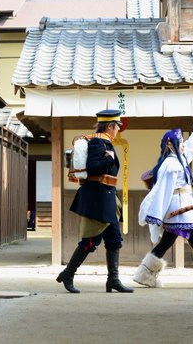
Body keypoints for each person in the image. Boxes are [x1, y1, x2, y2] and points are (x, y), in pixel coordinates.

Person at [133, 113, 193, 289]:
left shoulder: (179, 158)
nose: (184, 145)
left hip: (183, 207)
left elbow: (192, 146)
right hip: (179, 207)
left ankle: (146, 273)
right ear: (170, 145)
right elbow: (162, 190)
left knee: (170, 241)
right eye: (180, 142)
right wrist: (156, 213)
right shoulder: (170, 164)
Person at [56, 109, 134, 294]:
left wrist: (108, 159)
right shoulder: (98, 142)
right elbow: (92, 167)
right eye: (117, 126)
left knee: (114, 239)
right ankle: (68, 274)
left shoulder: (104, 142)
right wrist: (108, 160)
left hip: (108, 197)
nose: (118, 130)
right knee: (90, 240)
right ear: (110, 126)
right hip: (98, 198)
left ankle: (113, 280)